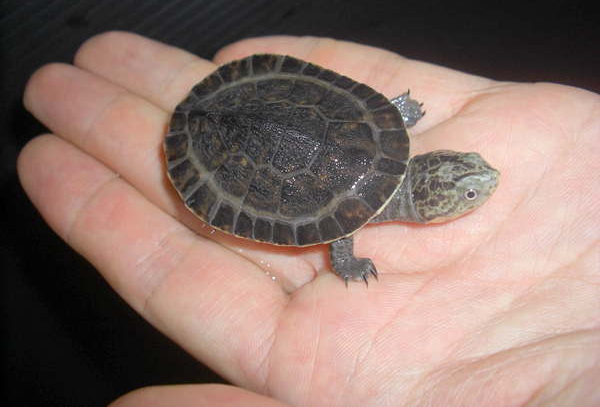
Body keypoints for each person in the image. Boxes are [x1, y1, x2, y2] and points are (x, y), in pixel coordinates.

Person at [18, 32, 600, 407]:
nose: (484, 181)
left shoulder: (384, 130)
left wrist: (396, 112)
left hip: (258, 99)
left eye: (469, 184)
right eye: (470, 186)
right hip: (233, 127)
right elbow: (339, 242)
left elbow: (371, 141)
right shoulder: (350, 215)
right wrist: (346, 262)